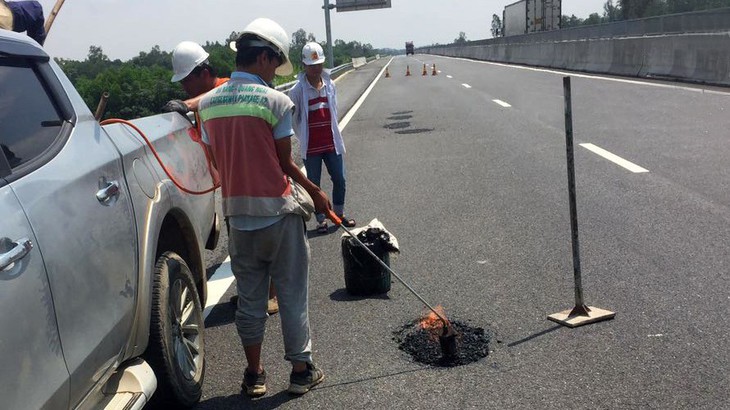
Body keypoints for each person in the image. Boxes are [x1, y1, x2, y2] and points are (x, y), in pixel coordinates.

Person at [198, 17, 330, 397]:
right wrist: (315, 192)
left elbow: (216, 162)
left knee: (252, 300)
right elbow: (285, 163)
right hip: (278, 213)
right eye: (275, 63)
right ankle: (301, 371)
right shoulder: (275, 101)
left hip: (238, 219)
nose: (275, 72)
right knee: (291, 292)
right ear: (264, 59)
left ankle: (254, 375)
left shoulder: (207, 106)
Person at [166, 41, 279, 316]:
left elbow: (213, 95)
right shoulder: (208, 102)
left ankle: (272, 295)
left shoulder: (227, 88)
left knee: (267, 238)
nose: (184, 88)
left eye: (187, 81)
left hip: (257, 177)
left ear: (204, 72)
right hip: (231, 183)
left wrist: (187, 104)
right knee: (242, 248)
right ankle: (251, 294)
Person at [289, 42, 356, 234]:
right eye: (312, 65)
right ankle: (320, 220)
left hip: (331, 142)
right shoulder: (297, 90)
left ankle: (339, 214)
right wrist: (303, 138)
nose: (316, 68)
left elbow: (333, 111)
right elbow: (295, 120)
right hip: (311, 147)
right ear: (304, 66)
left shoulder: (330, 85)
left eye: (318, 64)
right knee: (314, 184)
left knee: (340, 179)